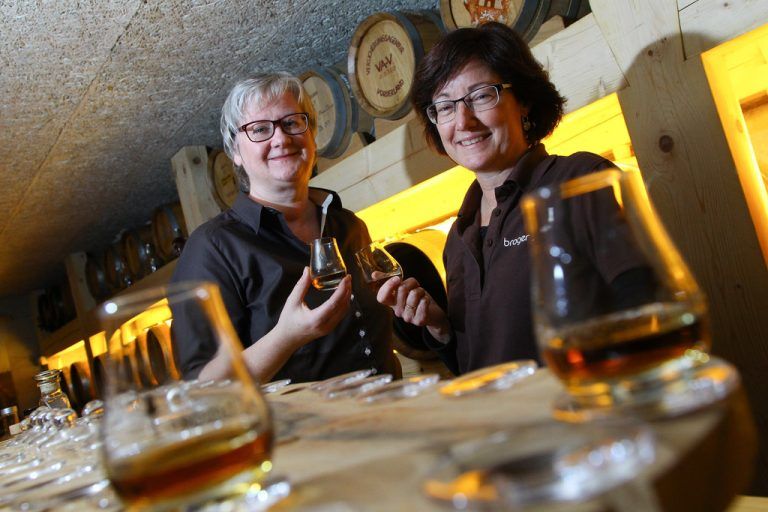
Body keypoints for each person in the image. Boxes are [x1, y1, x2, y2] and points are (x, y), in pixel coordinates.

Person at [375, 22, 651, 375]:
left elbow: (644, 307)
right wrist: (440, 327)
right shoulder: (459, 237)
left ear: (523, 101)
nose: (463, 120)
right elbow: (476, 367)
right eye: (445, 106)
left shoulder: (579, 181)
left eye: (481, 96)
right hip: (504, 425)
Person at [171, 72, 399, 383]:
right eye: (260, 129)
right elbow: (204, 387)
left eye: (291, 122)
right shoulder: (213, 248)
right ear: (235, 153)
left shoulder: (348, 226)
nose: (280, 138)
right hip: (304, 431)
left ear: (312, 136)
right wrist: (286, 337)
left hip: (390, 416)